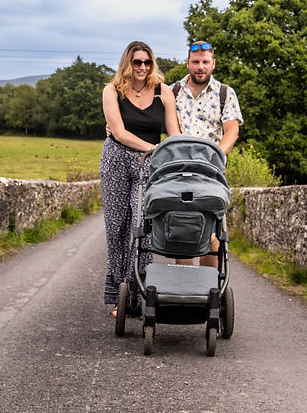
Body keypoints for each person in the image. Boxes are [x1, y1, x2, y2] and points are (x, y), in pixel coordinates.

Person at [100, 41, 180, 316]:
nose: (143, 67)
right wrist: (153, 148)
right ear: (127, 63)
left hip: (149, 165)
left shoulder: (163, 92)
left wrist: (174, 153)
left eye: (147, 62)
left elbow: (174, 133)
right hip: (116, 160)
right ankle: (118, 295)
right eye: (137, 62)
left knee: (144, 226)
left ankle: (140, 292)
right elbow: (119, 133)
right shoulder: (112, 91)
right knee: (117, 226)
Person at [171, 40, 243, 268]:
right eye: (195, 62)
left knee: (211, 232)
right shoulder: (172, 91)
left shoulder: (225, 93)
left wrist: (214, 156)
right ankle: (184, 290)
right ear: (187, 63)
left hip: (210, 173)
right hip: (178, 171)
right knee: (183, 231)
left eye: (205, 62)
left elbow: (232, 131)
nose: (200, 67)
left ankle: (207, 289)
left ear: (213, 64)